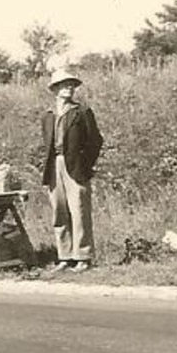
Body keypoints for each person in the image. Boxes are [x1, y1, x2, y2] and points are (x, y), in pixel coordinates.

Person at [40, 67, 103, 271]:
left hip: (76, 166)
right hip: (54, 166)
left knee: (79, 210)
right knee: (59, 212)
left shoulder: (82, 112)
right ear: (55, 89)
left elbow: (95, 141)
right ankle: (65, 256)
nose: (69, 88)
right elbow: (47, 142)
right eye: (64, 84)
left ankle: (83, 257)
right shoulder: (48, 116)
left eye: (72, 85)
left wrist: (85, 165)